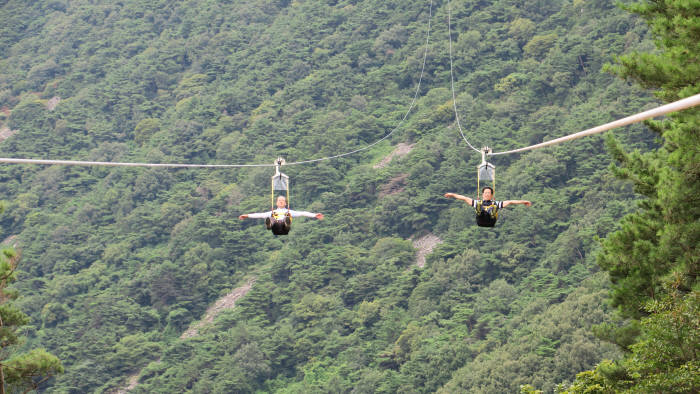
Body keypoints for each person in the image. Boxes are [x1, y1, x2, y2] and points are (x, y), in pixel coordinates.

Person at [444, 187, 531, 227]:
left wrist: (524, 202)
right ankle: (482, 211)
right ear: (482, 194)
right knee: (479, 205)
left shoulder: (496, 203)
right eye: (485, 193)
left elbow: (511, 202)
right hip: (481, 221)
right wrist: (452, 194)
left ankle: (491, 212)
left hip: (490, 221)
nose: (486, 194)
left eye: (488, 193)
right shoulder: (477, 202)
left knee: (493, 207)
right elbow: (464, 198)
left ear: (492, 195)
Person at [239, 196, 324, 235]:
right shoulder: (273, 212)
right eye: (279, 200)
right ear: (276, 203)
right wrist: (247, 215)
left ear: (285, 203)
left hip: (284, 228)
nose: (281, 202)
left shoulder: (288, 211)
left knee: (287, 215)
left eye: (282, 200)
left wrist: (314, 215)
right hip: (275, 227)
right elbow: (260, 215)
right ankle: (269, 224)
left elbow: (302, 213)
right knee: (270, 216)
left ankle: (286, 223)